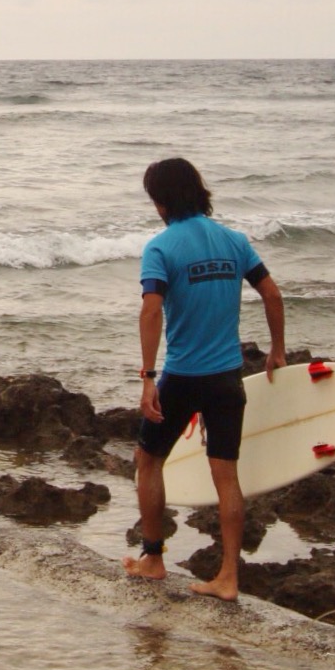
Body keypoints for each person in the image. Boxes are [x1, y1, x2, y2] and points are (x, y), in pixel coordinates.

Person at [122, 157, 286, 600]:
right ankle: (228, 576)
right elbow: (272, 294)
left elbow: (151, 310)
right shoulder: (234, 241)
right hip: (227, 376)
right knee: (226, 475)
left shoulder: (161, 248)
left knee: (148, 460)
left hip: (182, 376)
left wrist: (148, 377)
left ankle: (153, 559)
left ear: (161, 202)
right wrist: (277, 350)